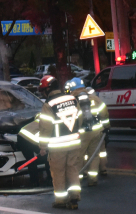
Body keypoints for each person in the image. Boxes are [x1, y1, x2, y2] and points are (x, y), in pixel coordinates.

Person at [39, 77, 82, 209]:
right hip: (74, 142)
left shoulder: (48, 105)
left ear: (47, 89)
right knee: (72, 169)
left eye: (43, 91)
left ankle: (61, 201)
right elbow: (80, 119)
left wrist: (43, 147)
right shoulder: (73, 100)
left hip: (58, 146)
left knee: (58, 173)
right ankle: (74, 197)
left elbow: (46, 128)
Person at [67, 79, 110, 186]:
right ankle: (93, 179)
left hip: (81, 134)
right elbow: (104, 113)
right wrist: (106, 126)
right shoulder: (95, 99)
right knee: (94, 155)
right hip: (96, 132)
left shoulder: (72, 101)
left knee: (78, 157)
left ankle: (78, 178)